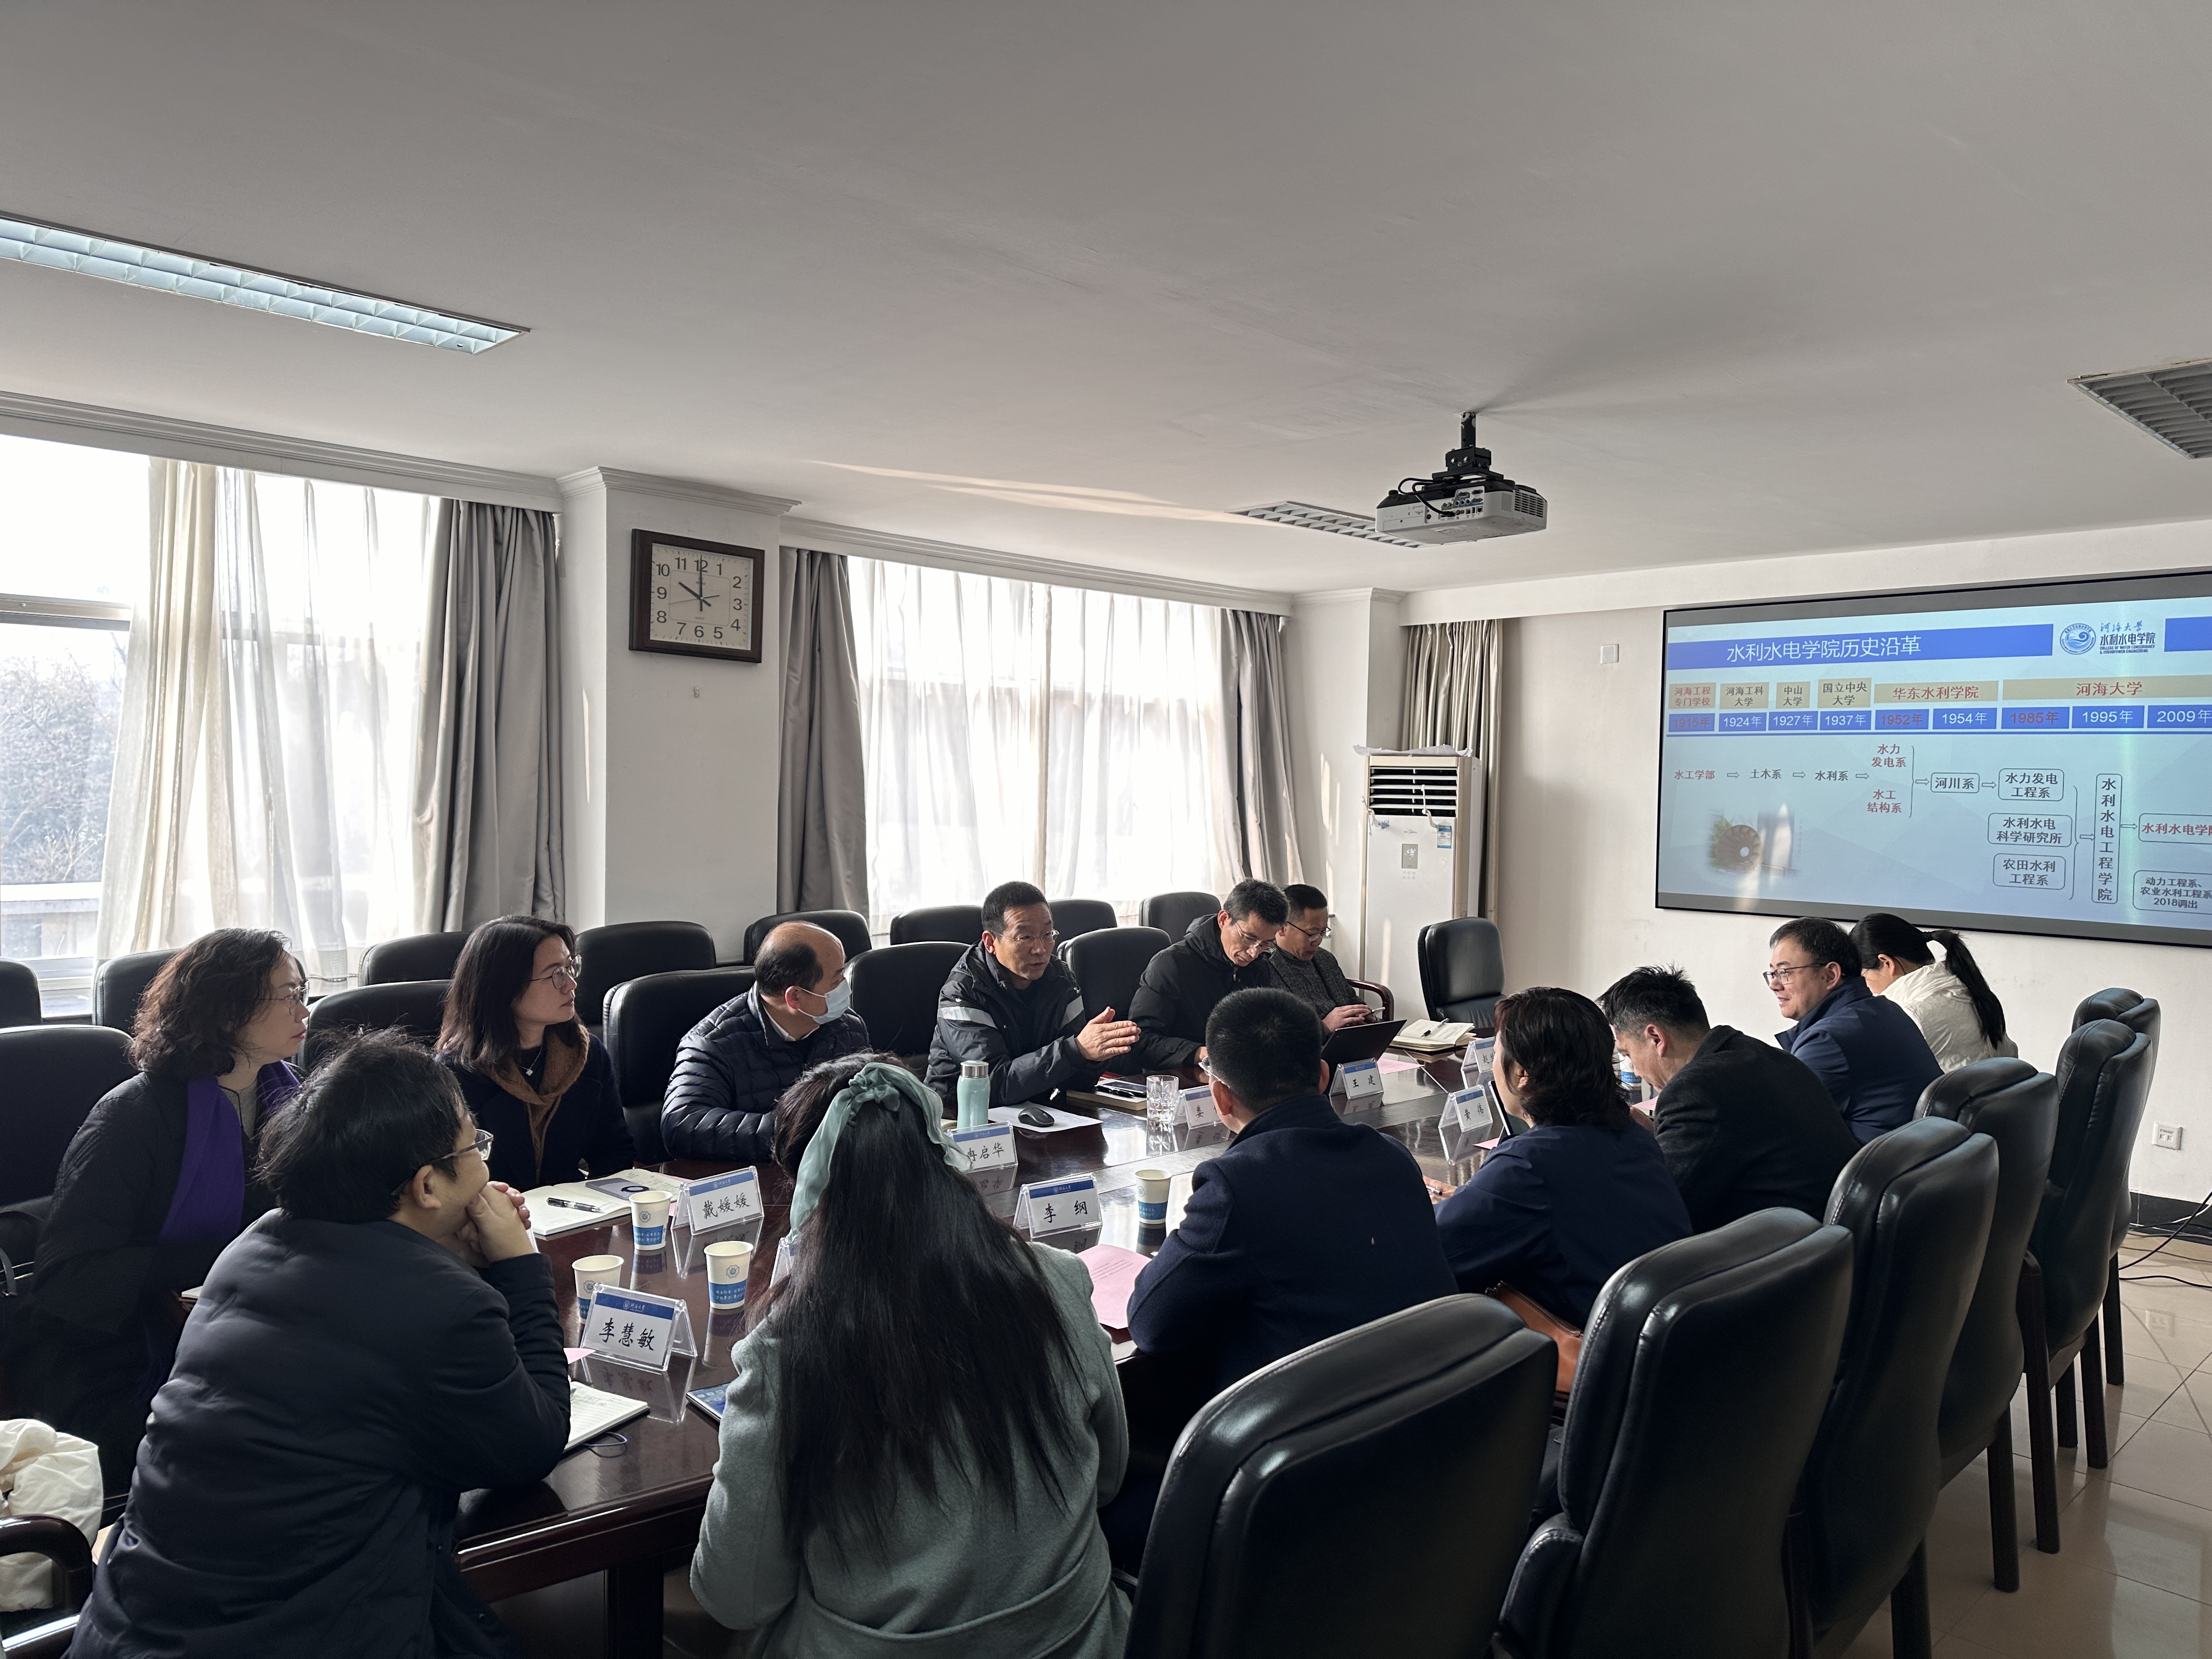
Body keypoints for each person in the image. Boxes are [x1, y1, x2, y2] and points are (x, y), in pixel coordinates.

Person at [72, 1031, 570, 1659]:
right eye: (475, 1146)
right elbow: (535, 1441)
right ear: (427, 1187)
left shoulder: (254, 1244)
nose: (485, 1165)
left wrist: (445, 1256)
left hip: (131, 1624)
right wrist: (520, 1267)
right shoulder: (442, 1306)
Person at [690, 1058, 1128, 1657]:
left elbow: (738, 1597)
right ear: (941, 1153)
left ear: (808, 1188)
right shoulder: (1057, 1280)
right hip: (1078, 1640)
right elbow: (1108, 1475)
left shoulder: (786, 1350)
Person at [7, 929, 307, 1488]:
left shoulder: (290, 1097)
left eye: (302, 991)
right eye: (288, 995)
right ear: (228, 1009)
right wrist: (231, 1257)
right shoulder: (134, 1116)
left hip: (251, 1323)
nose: (303, 1009)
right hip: (122, 1347)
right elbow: (70, 1279)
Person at [1126, 988, 1455, 1392]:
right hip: (1432, 1404)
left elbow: (1150, 1322)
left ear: (1221, 1098)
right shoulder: (1392, 1155)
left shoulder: (1236, 1185)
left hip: (1315, 1420)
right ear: (1323, 1076)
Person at [1433, 987, 1691, 1329]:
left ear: (1521, 1074)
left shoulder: (1529, 1166)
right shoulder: (1635, 1136)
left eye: (1495, 1053)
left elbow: (1429, 1255)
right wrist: (1477, 1199)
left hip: (1589, 1352)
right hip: (1664, 1340)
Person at [1599, 966, 1858, 1232]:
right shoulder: (1759, 1055)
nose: (1636, 1071)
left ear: (1656, 1038)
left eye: (1628, 1055)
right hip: (1828, 1238)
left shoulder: (1696, 1090)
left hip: (1782, 1247)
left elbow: (1655, 1208)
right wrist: (1660, 1135)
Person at [436, 915, 633, 1190]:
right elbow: (450, 1184)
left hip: (573, 1210)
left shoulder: (586, 1053)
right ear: (505, 987)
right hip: (493, 1213)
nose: (571, 984)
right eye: (556, 974)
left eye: (570, 967)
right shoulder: (452, 1076)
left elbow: (614, 1155)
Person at [661, 922, 872, 1163]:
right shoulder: (712, 1043)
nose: (845, 986)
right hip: (762, 1176)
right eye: (836, 980)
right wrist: (795, 1128)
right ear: (795, 997)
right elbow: (682, 1124)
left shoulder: (847, 1026)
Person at [923, 880, 1141, 1111]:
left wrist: (1093, 1056)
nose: (1040, 949)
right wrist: (1076, 1050)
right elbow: (992, 1084)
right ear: (990, 942)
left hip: (1035, 1110)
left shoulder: (1060, 979)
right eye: (1025, 937)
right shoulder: (963, 991)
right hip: (957, 1116)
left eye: (1047, 934)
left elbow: (1074, 1080)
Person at [1768, 917, 1941, 1142]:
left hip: (1875, 1162)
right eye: (1772, 974)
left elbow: (1777, 1127)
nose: (1774, 985)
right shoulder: (1885, 1010)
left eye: (1785, 973)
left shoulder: (1827, 1041)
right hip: (1920, 1156)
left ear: (1831, 975)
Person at [1128, 878, 1289, 1067]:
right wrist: (1202, 1053)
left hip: (1240, 1072)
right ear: (1224, 919)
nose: (1254, 952)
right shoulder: (1171, 965)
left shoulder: (1259, 965)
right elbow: (1142, 1042)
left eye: (1266, 944)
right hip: (1183, 1074)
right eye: (1248, 938)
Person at [1850, 912, 2018, 1071]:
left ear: (1887, 963)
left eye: (1863, 976)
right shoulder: (1971, 989)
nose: (1867, 986)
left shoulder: (1911, 1016)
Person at [1266, 883, 1373, 1031]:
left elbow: (1350, 998)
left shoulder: (1324, 958)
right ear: (1282, 927)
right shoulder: (1264, 968)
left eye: (1323, 932)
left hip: (1349, 1038)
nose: (1318, 941)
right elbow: (1277, 1034)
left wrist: (1362, 1013)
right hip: (1314, 1044)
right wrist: (1323, 1027)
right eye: (1312, 933)